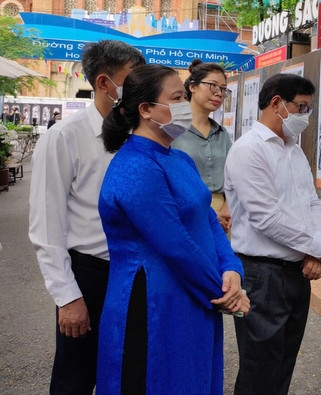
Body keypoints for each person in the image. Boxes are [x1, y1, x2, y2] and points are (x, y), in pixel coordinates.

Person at [96, 64, 249, 394]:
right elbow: (174, 243)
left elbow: (208, 220)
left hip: (194, 295)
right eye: (177, 98)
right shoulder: (134, 166)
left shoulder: (179, 159)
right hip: (154, 304)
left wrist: (233, 271)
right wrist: (225, 293)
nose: (184, 106)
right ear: (147, 110)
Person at [28, 40, 145, 395]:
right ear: (104, 83)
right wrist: (68, 297)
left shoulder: (141, 134)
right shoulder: (65, 137)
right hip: (90, 276)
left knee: (132, 374)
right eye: (131, 79)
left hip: (137, 275)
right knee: (76, 377)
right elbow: (47, 226)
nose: (139, 87)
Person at [224, 73, 321, 394]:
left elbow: (312, 202)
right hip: (262, 277)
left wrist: (317, 250)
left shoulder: (293, 150)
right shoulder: (249, 151)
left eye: (308, 109)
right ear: (277, 104)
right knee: (260, 369)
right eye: (301, 107)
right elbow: (267, 218)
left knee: (283, 366)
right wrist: (319, 247)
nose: (305, 116)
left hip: (297, 274)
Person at [171, 59, 232, 232]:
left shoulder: (222, 134)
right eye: (213, 86)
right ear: (193, 87)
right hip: (185, 213)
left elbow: (233, 176)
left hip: (225, 216)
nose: (219, 93)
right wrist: (209, 213)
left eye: (223, 89)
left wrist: (228, 206)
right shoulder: (172, 130)